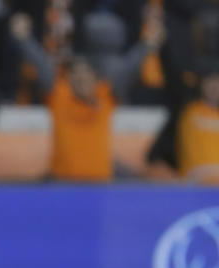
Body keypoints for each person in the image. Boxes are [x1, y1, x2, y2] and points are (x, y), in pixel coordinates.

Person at [10, 9, 164, 181]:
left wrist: (148, 44)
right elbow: (41, 65)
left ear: (95, 79)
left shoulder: (106, 96)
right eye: (75, 75)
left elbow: (129, 69)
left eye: (85, 75)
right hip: (62, 186)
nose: (81, 79)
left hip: (99, 187)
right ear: (68, 79)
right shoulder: (59, 96)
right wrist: (23, 39)